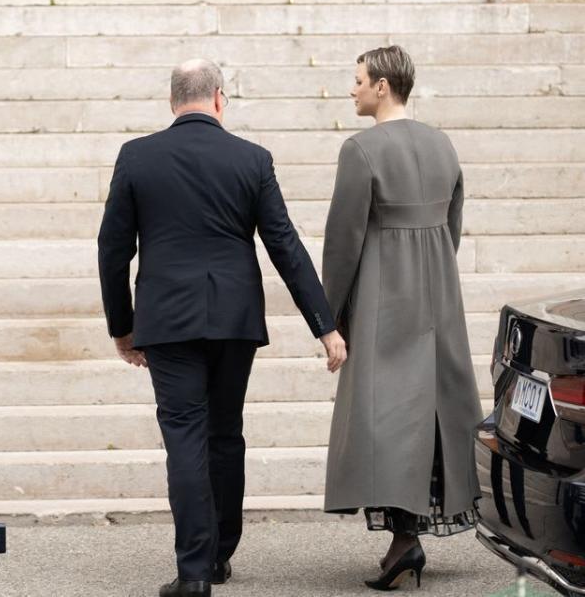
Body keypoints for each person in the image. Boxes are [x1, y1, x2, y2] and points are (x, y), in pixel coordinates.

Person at [98, 58, 347, 597]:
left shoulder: (137, 156)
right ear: (218, 98)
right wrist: (323, 326)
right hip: (234, 319)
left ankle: (193, 573)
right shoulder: (251, 159)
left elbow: (113, 248)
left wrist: (123, 326)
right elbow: (285, 244)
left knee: (185, 436)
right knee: (225, 432)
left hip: (166, 321)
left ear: (172, 102)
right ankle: (219, 555)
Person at [322, 45, 484, 591]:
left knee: (385, 415)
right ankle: (405, 537)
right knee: (428, 412)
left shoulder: (360, 150)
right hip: (439, 291)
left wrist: (331, 315)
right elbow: (453, 224)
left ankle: (404, 538)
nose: (353, 89)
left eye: (359, 79)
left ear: (383, 87)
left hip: (383, 297)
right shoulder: (443, 144)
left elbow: (343, 241)